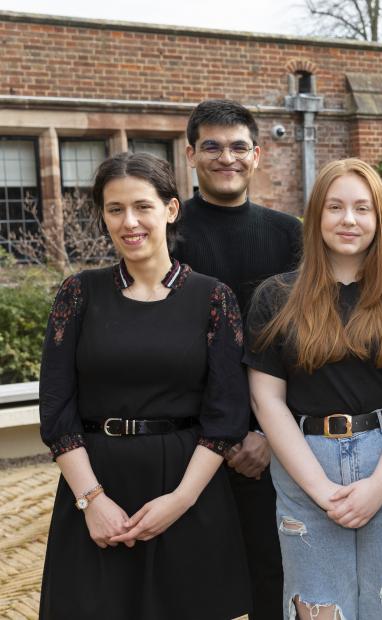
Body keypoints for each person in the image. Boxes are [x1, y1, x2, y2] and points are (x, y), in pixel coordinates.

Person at [38, 152, 250, 619]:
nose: (129, 222)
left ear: (171, 209)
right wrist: (92, 500)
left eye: (142, 206)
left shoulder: (214, 298)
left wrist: (181, 500)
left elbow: (226, 414)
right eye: (115, 209)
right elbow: (56, 407)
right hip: (95, 488)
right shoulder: (78, 294)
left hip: (187, 489)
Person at [245, 158, 382, 620]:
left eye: (362, 208)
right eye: (334, 207)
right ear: (315, 216)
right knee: (319, 607)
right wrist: (320, 489)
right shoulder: (276, 297)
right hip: (305, 466)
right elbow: (266, 400)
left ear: (380, 219)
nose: (348, 220)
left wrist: (379, 485)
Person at [175, 99, 302, 619]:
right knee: (194, 587)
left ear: (256, 155)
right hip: (187, 443)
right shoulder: (167, 234)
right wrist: (216, 439)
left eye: (238, 147)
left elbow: (303, 343)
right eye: (212, 147)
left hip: (270, 445)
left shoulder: (290, 235)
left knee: (272, 577)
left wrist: (270, 433)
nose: (226, 158)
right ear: (191, 154)